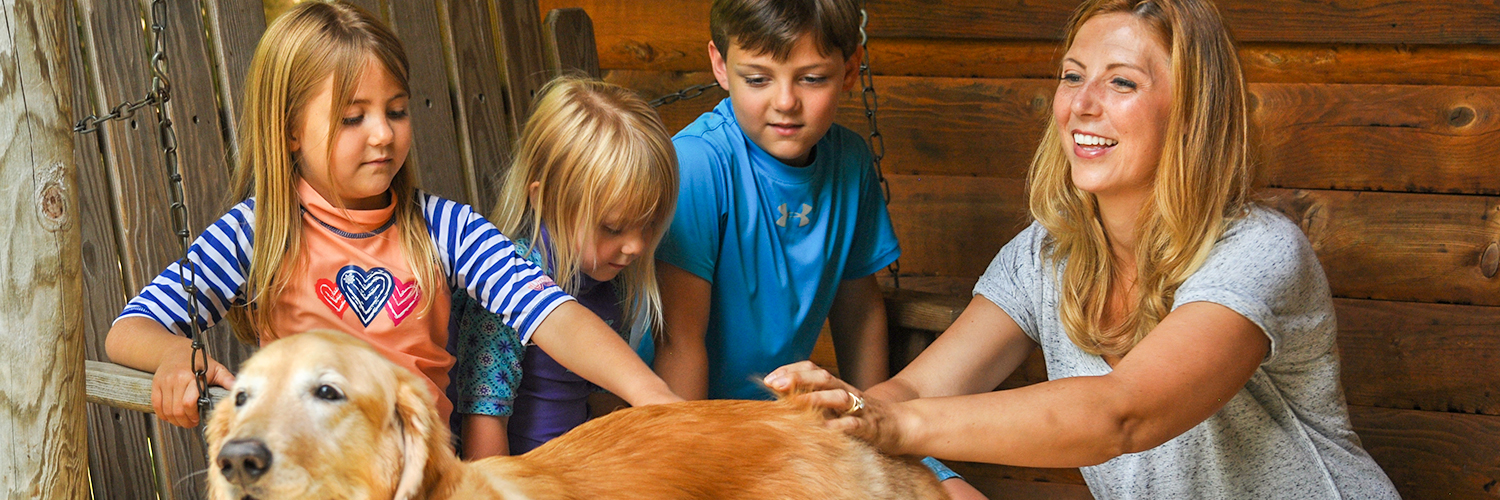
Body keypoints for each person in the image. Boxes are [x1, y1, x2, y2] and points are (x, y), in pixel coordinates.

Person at [766, 0, 1401, 497]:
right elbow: (910, 396)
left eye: (1121, 83)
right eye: (1073, 77)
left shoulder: (1258, 252)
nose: (1080, 105)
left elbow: (1122, 415)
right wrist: (839, 409)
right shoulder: (1043, 256)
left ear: (1193, 112)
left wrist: (891, 424)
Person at [103, 0, 680, 430]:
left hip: (421, 471)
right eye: (353, 118)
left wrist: (655, 398)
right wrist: (178, 355)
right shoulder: (258, 234)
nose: (382, 134)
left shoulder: (445, 230)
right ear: (291, 132)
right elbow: (129, 329)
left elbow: (548, 311)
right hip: (313, 471)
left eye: (396, 110)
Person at [647, 0, 982, 496]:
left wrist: (873, 424)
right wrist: (689, 470)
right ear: (720, 65)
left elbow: (859, 310)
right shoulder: (697, 165)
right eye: (758, 79)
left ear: (849, 70)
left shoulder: (848, 162)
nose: (785, 101)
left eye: (811, 78)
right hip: (701, 425)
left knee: (958, 495)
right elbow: (678, 339)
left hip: (796, 420)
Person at [450, 77, 678, 458]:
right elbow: (483, 427)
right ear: (546, 200)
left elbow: (599, 403)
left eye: (649, 223)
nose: (637, 246)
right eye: (613, 227)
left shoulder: (609, 282)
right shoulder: (501, 296)